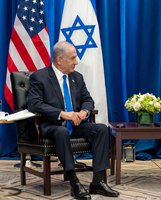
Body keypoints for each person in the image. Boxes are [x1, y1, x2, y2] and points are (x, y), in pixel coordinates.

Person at [27, 41, 119, 199]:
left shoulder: (77, 77)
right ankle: (74, 182)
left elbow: (88, 100)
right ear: (59, 59)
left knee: (102, 129)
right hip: (52, 126)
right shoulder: (40, 77)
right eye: (73, 58)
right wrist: (63, 114)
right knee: (61, 131)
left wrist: (84, 112)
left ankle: (98, 181)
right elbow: (34, 104)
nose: (77, 62)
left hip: (76, 125)